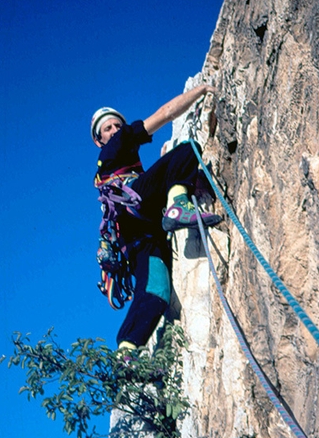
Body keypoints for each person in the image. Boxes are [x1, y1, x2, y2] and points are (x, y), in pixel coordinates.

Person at [91, 84, 221, 351]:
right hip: (135, 209)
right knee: (187, 150)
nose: (115, 130)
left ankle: (127, 349)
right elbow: (164, 114)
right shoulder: (121, 141)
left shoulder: (112, 166)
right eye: (108, 129)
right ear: (99, 140)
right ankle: (178, 206)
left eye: (117, 126)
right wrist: (200, 91)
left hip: (139, 234)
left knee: (155, 292)